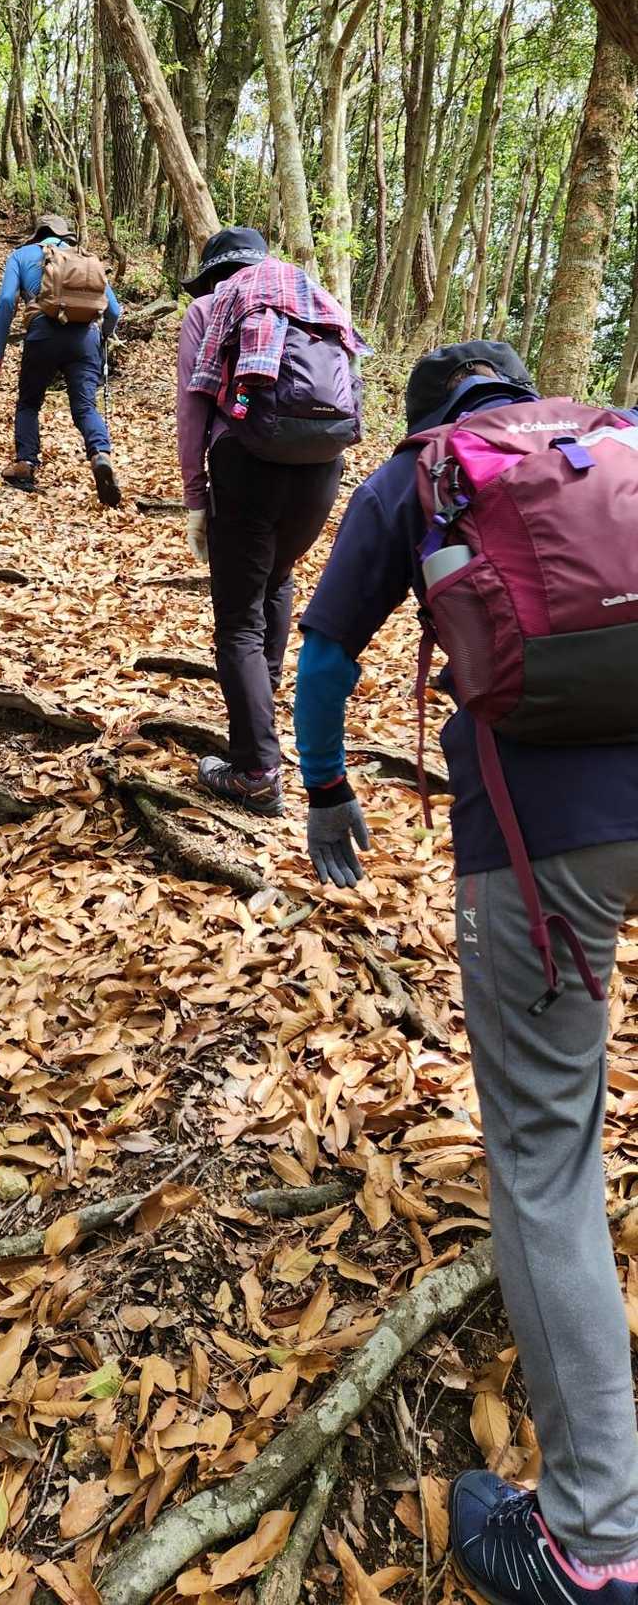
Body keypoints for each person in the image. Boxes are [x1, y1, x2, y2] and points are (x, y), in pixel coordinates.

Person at [293, 339, 638, 1604]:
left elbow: (325, 656)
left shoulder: (420, 475)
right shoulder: (619, 437)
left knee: (544, 1162)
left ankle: (595, 1546)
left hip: (543, 845)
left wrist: (327, 787)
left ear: (426, 411)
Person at [176, 226, 350, 815]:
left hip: (246, 460)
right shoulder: (318, 303)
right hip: (321, 463)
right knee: (276, 578)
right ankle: (258, 714)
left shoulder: (209, 308)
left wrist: (195, 498)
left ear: (215, 275)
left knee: (237, 622)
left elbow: (192, 407)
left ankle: (255, 770)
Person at [0, 213, 122, 508]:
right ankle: (100, 455)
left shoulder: (21, 255)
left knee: (29, 402)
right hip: (85, 338)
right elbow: (113, 310)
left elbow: (7, 301)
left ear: (37, 234)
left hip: (43, 335)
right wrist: (104, 337)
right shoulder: (84, 258)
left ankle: (26, 464)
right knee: (85, 406)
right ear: (64, 235)